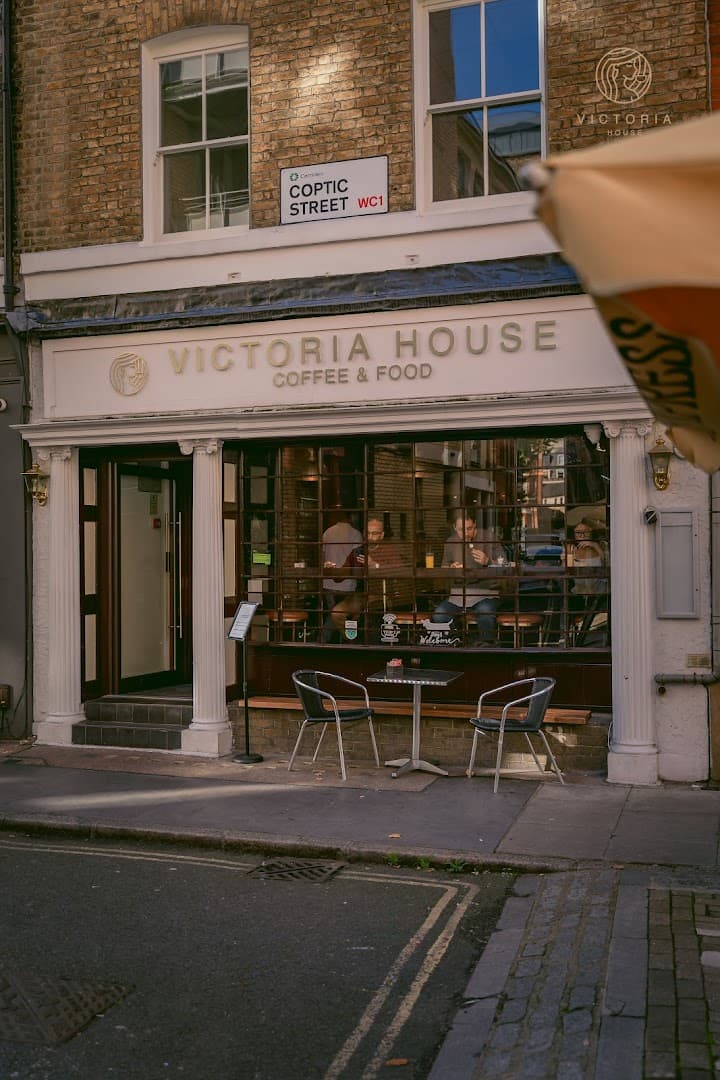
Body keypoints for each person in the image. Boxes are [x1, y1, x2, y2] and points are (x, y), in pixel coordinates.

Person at [326, 516, 413, 642]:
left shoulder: (389, 551)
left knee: (368, 614)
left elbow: (400, 572)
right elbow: (341, 576)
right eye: (368, 533)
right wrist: (331, 569)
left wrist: (375, 565)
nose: (371, 536)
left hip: (382, 595)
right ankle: (353, 642)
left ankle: (370, 644)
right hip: (360, 596)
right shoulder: (358, 551)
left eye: (375, 533)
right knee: (337, 613)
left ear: (382, 535)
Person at [431, 513, 502, 645]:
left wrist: (488, 561)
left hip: (486, 594)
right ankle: (457, 641)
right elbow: (444, 567)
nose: (466, 533)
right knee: (439, 614)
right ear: (454, 527)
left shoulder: (489, 537)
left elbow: (505, 566)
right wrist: (452, 568)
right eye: (461, 530)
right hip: (458, 595)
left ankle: (487, 646)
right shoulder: (451, 542)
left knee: (485, 611)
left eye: (469, 528)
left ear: (474, 524)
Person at [321, 512, 363, 643]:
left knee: (332, 615)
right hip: (348, 584)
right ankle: (348, 641)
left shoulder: (327, 533)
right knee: (342, 615)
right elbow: (358, 560)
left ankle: (326, 641)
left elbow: (323, 556)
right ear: (350, 518)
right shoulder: (355, 534)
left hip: (328, 583)